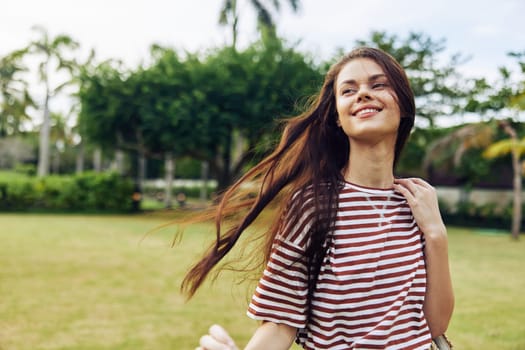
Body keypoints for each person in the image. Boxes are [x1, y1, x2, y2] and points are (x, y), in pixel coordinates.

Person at [183, 47, 454, 349]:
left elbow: (435, 324)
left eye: (378, 85)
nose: (363, 94)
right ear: (338, 116)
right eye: (348, 90)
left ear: (403, 104)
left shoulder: (418, 201)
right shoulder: (313, 204)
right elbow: (280, 324)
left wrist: (435, 234)